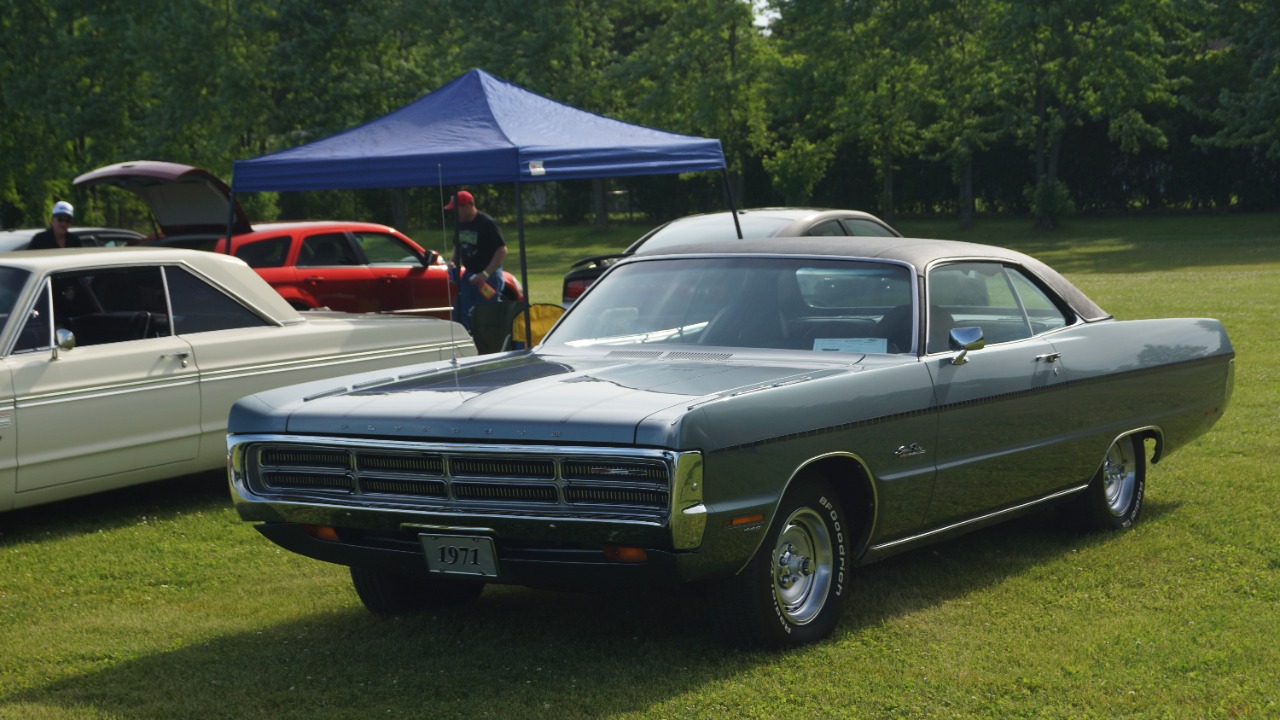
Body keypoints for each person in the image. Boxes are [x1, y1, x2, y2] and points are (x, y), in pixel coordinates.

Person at [445, 190, 507, 331]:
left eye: (456, 209)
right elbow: (458, 247)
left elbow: (502, 251)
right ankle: (467, 342)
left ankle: (488, 345)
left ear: (466, 206)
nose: (454, 213)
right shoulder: (460, 224)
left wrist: (484, 275)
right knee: (460, 312)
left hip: (489, 277)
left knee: (486, 315)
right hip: (469, 274)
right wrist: (453, 263)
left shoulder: (487, 223)